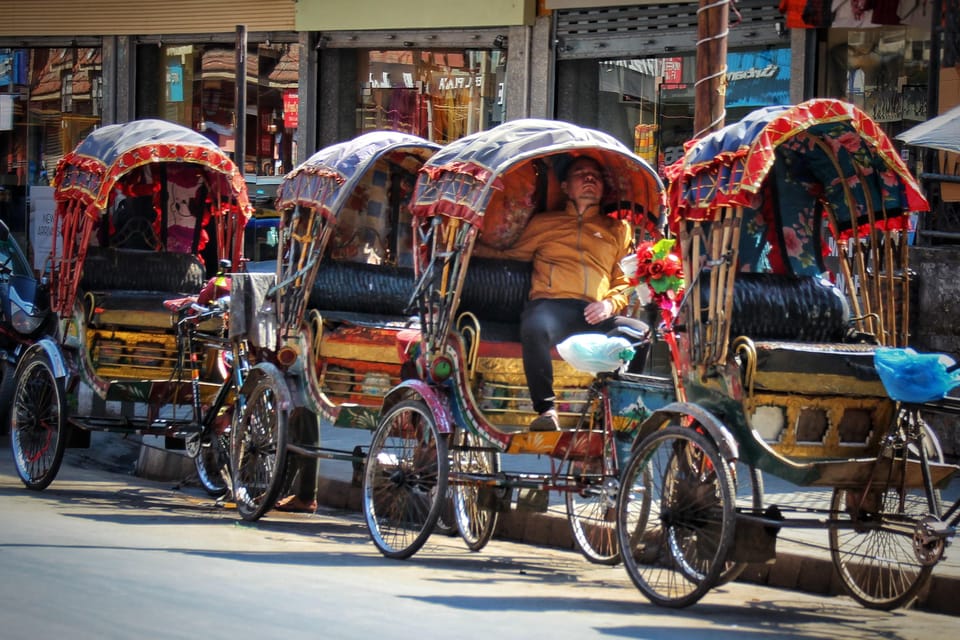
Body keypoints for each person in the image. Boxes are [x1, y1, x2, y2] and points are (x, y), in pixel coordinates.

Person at [475, 155, 646, 431]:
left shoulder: (618, 229)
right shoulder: (544, 223)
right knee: (535, 326)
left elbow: (626, 279)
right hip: (551, 307)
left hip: (596, 313)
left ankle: (620, 411)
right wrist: (470, 248)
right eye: (581, 173)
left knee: (640, 334)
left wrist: (610, 304)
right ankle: (546, 410)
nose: (590, 178)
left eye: (596, 175)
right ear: (565, 187)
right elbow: (511, 255)